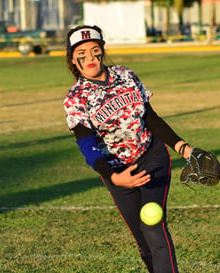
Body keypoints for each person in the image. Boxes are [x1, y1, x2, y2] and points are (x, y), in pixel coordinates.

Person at [63, 25, 196, 273]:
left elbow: (151, 118)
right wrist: (113, 177)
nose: (90, 58)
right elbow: (86, 145)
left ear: (102, 51)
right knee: (144, 243)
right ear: (73, 59)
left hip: (151, 157)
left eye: (95, 50)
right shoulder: (76, 98)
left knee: (152, 224)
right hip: (117, 172)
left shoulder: (126, 75)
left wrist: (183, 147)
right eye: (82, 52)